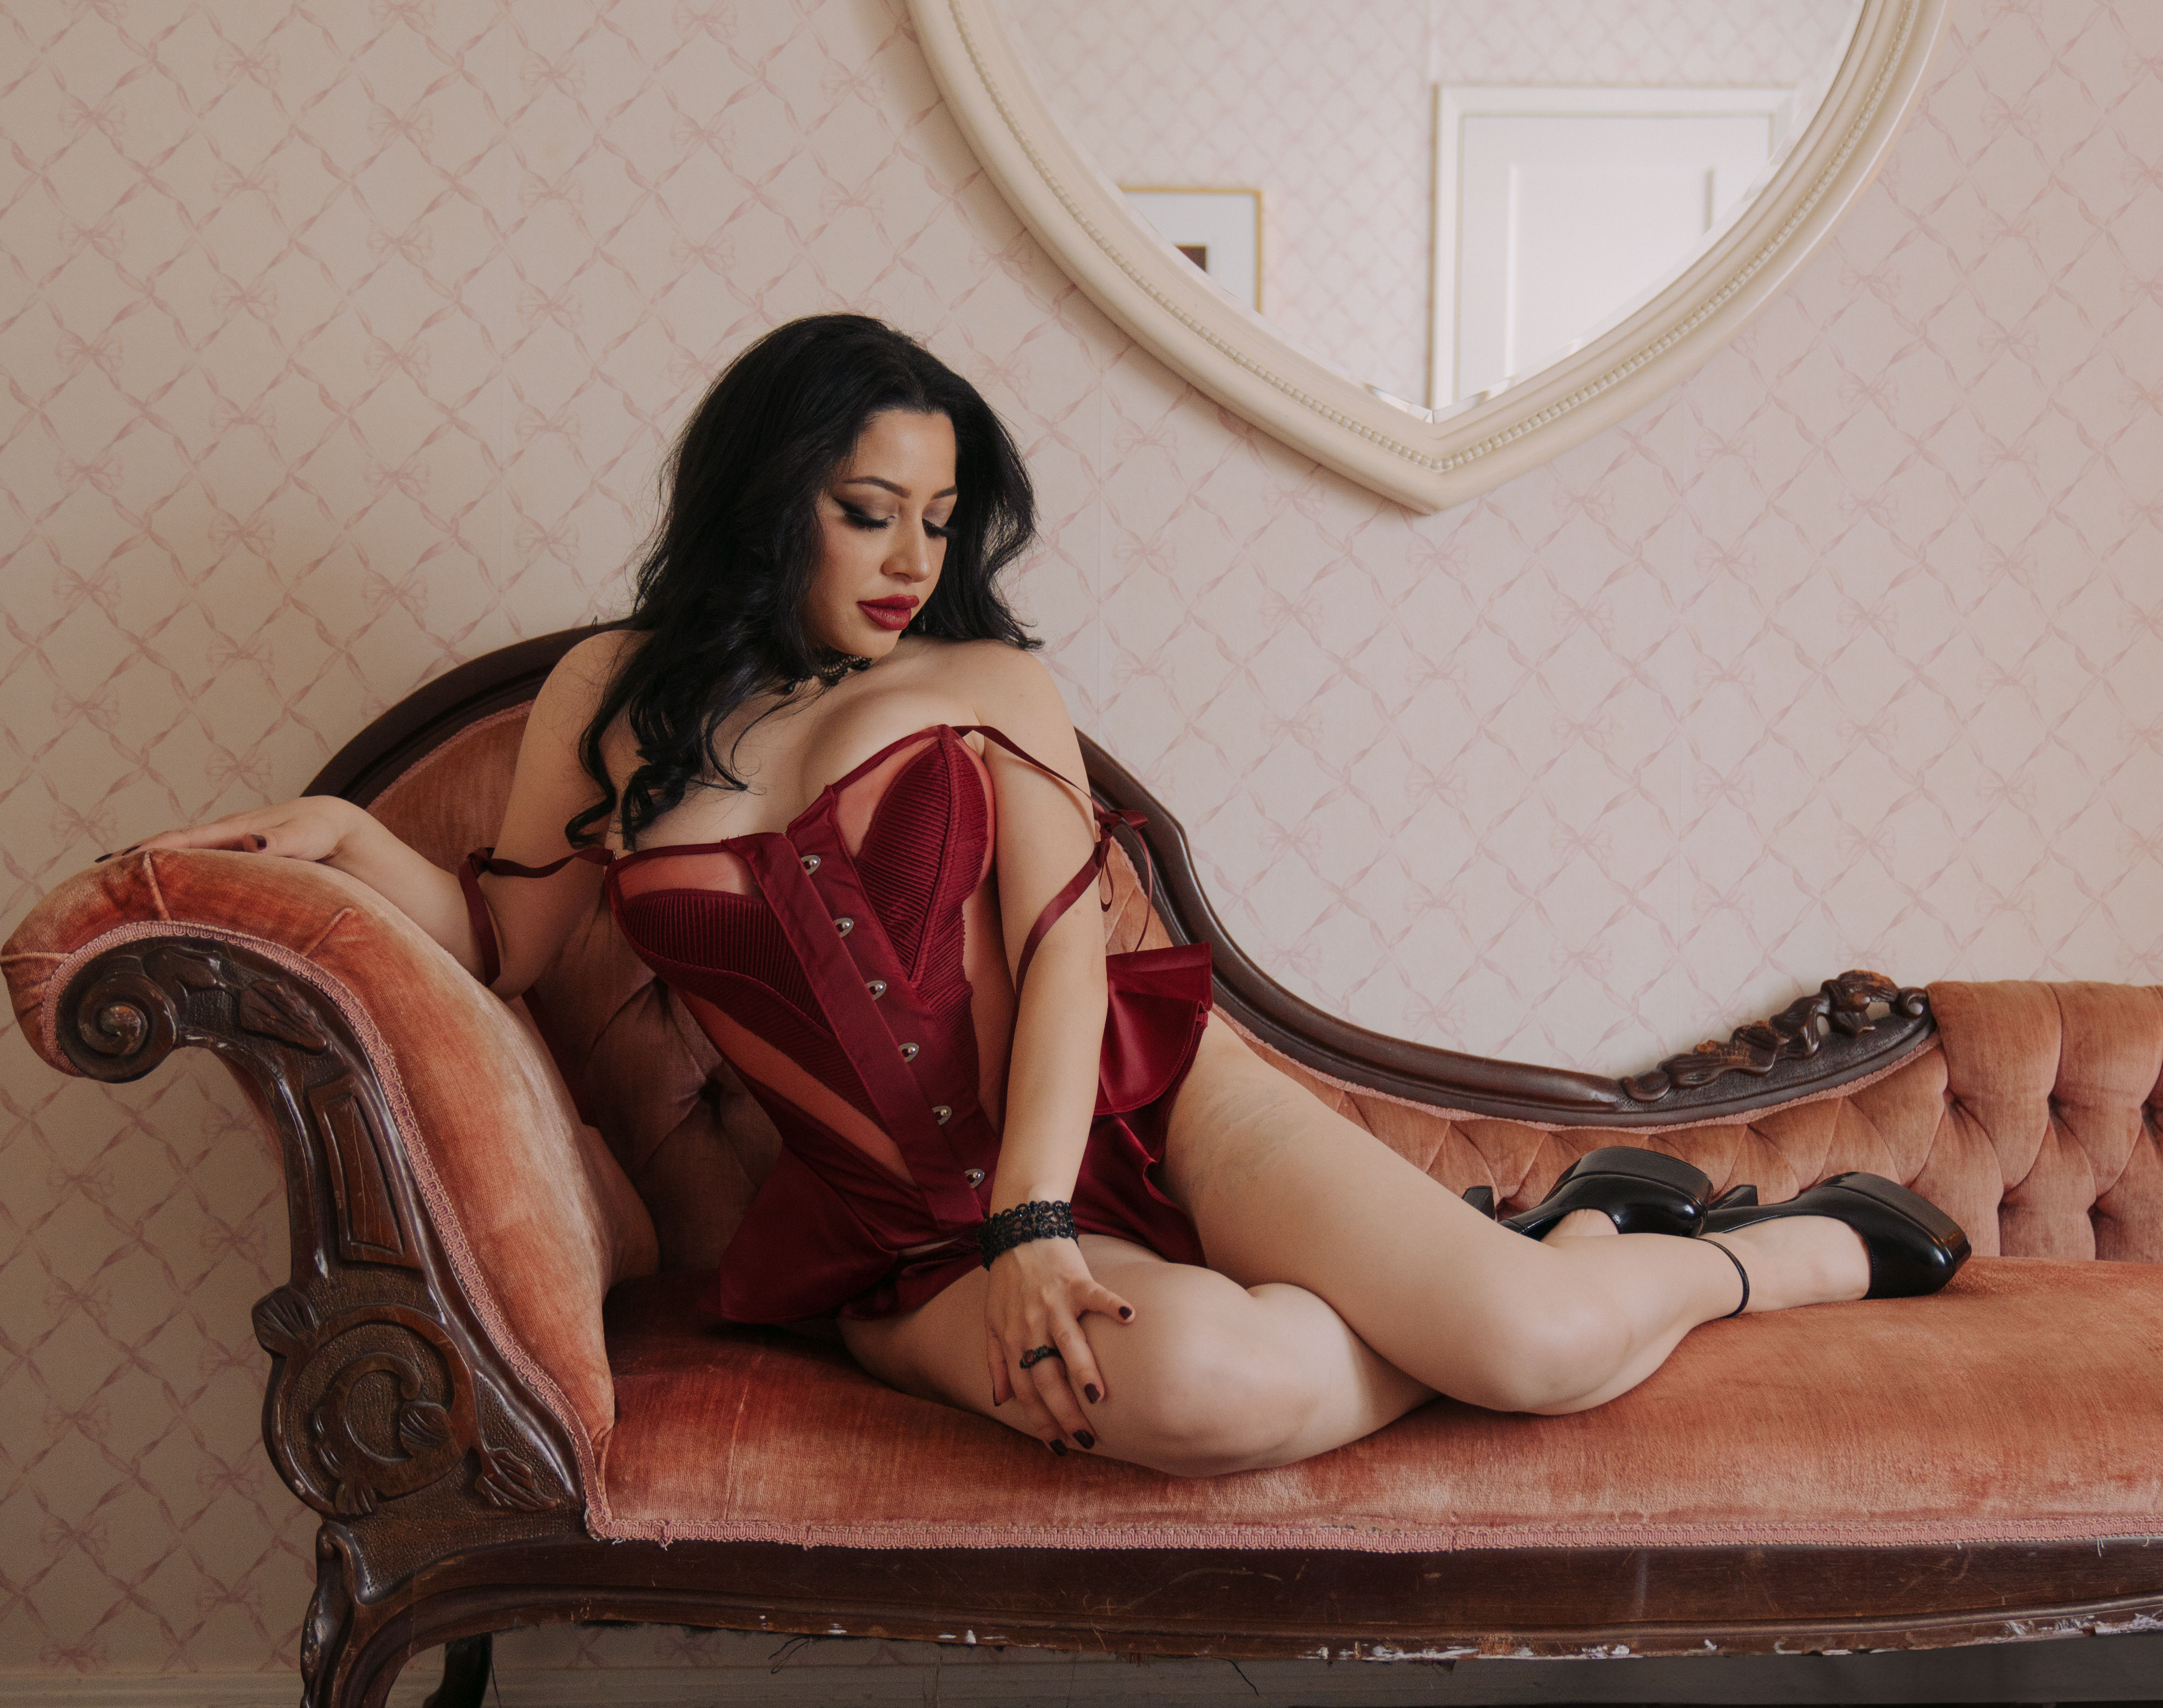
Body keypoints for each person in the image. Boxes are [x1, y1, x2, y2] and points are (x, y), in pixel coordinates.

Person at [136, 314, 1968, 1480]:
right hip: (888, 1231)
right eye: (870, 510)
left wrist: (1034, 1219)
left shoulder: (992, 687)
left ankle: (1708, 1254)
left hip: (1147, 1120)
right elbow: (504, 942)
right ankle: (1494, 1263)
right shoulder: (610, 700)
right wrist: (356, 842)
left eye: (940, 518)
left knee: (1533, 1350)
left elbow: (1063, 953)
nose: (912, 558)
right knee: (1181, 1401)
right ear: (768, 499)